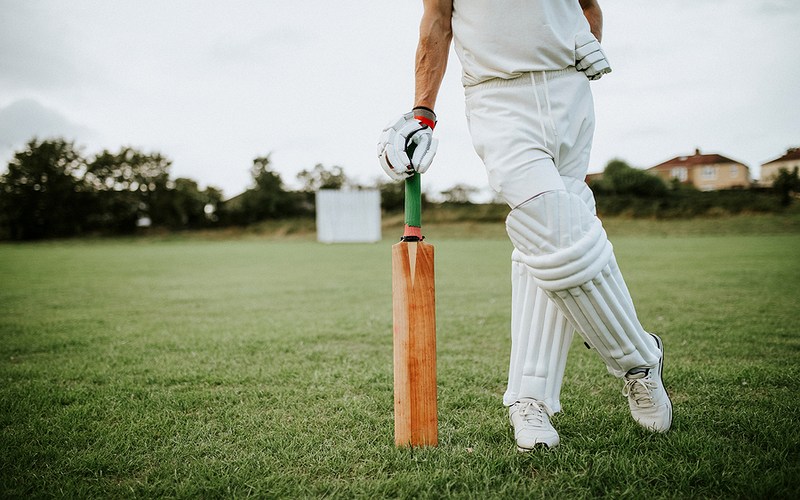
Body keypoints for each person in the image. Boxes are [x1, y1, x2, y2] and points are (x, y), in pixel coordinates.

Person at [377, 0, 672, 451]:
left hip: (570, 93)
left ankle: (530, 399)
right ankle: (639, 359)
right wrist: (423, 111)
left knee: (553, 234)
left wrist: (587, 41)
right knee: (547, 223)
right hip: (498, 98)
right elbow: (436, 21)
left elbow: (588, 7)